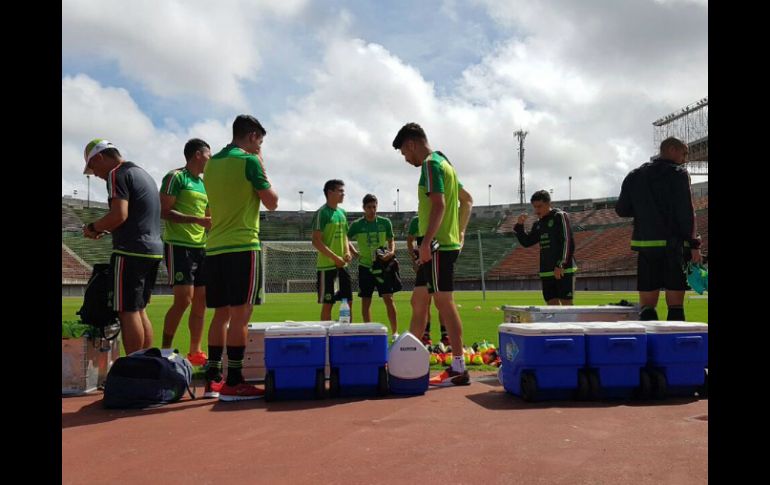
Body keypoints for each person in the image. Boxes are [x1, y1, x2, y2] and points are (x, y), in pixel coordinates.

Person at [202, 115, 279, 401]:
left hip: (215, 247)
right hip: (242, 245)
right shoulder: (249, 161)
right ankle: (234, 380)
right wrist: (261, 162)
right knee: (241, 314)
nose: (260, 146)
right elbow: (272, 202)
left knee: (220, 314)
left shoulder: (211, 165)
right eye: (260, 141)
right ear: (252, 136)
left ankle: (213, 379)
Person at [392, 122, 473, 386]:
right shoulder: (444, 162)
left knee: (444, 303)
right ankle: (410, 361)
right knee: (418, 302)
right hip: (441, 244)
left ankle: (459, 366)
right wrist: (459, 232)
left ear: (412, 144)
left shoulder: (430, 164)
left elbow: (439, 204)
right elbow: (467, 199)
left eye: (405, 153)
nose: (405, 159)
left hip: (437, 247)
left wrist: (426, 242)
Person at [82, 139, 163, 355]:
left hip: (130, 251)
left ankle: (133, 367)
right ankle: (146, 364)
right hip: (153, 250)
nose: (96, 174)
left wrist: (93, 227)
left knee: (127, 311)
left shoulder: (116, 174)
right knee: (139, 310)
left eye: (93, 167)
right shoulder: (143, 174)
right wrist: (103, 228)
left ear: (99, 157)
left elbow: (119, 214)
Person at [615, 136, 702, 321]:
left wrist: (644, 211)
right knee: (676, 303)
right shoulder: (678, 173)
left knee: (647, 305)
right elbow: (686, 211)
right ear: (671, 149)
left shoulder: (634, 174)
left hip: (645, 244)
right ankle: (676, 347)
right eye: (683, 153)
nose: (684, 158)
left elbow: (621, 210)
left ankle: (649, 347)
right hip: (673, 244)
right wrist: (694, 244)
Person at [159, 138, 212, 366]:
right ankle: (165, 350)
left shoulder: (205, 184)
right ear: (198, 154)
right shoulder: (175, 177)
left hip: (201, 247)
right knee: (184, 300)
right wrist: (198, 220)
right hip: (178, 245)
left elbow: (209, 215)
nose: (211, 159)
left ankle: (195, 352)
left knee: (201, 302)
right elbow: (165, 211)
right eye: (209, 155)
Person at [513, 190, 577, 305]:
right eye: (535, 207)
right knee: (551, 306)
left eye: (539, 206)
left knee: (567, 305)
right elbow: (527, 242)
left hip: (563, 270)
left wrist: (560, 264)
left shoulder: (560, 216)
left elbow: (567, 241)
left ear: (548, 204)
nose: (537, 211)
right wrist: (519, 226)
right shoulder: (538, 224)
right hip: (546, 271)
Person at [348, 194, 399, 336]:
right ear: (363, 208)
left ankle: (395, 333)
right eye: (369, 207)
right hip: (365, 267)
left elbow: (391, 240)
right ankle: (370, 332)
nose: (372, 210)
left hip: (382, 266)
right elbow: (345, 238)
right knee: (366, 301)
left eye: (374, 207)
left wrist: (392, 252)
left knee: (389, 298)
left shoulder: (385, 222)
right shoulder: (357, 225)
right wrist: (353, 251)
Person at [311, 179, 355, 321]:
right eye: (340, 191)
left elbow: (345, 236)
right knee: (328, 304)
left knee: (348, 302)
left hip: (343, 266)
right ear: (330, 192)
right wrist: (336, 258)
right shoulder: (321, 213)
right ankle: (326, 340)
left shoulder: (342, 213)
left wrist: (347, 252)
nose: (343, 194)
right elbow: (316, 241)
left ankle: (347, 335)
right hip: (327, 267)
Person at [406, 215, 448, 347]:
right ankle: (425, 336)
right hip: (423, 264)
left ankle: (446, 336)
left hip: (438, 260)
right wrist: (414, 259)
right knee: (422, 301)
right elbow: (409, 240)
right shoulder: (416, 221)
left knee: (441, 300)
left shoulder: (441, 216)